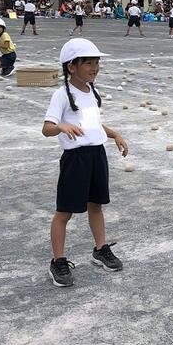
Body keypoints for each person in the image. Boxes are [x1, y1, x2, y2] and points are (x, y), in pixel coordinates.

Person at [42, 38, 128, 287]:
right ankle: (58, 261)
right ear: (71, 67)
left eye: (96, 63)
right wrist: (61, 126)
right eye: (88, 63)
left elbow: (93, 125)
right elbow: (47, 129)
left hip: (97, 155)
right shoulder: (62, 95)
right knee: (64, 212)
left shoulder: (91, 91)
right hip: (76, 160)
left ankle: (100, 249)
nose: (95, 68)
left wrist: (115, 134)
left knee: (96, 206)